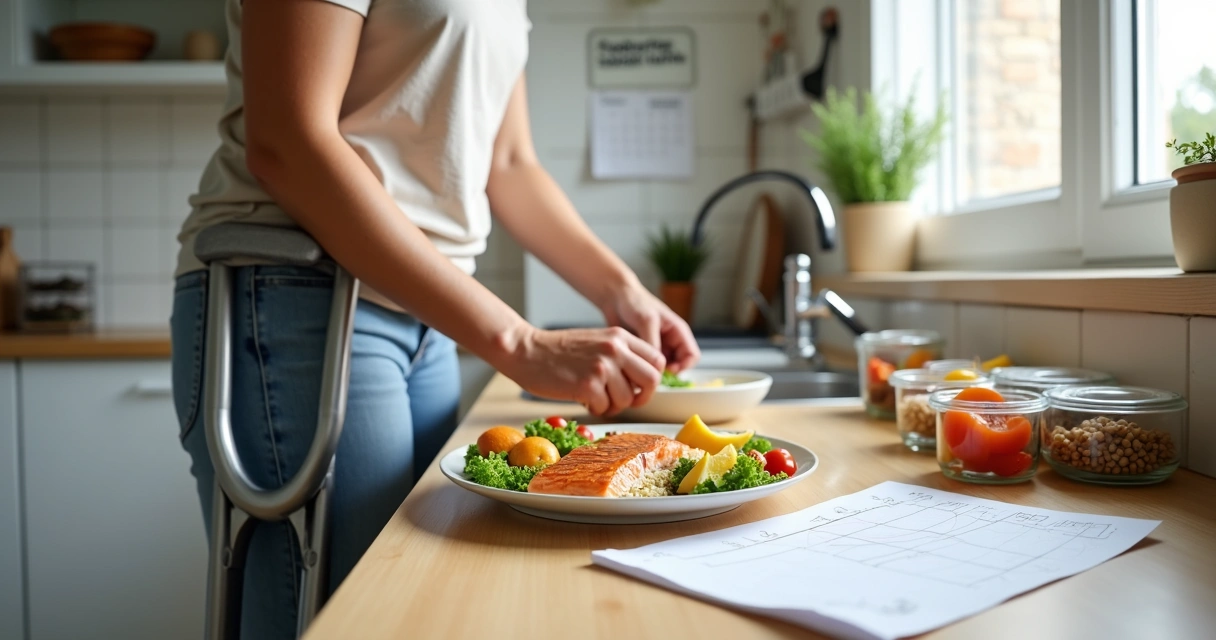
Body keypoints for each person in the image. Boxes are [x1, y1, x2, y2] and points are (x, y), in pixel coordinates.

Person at [169, 0, 699, 637]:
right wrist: (520, 341)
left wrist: (622, 290)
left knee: (413, 609)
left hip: (427, 313)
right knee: (338, 619)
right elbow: (287, 139)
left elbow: (510, 164)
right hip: (303, 296)